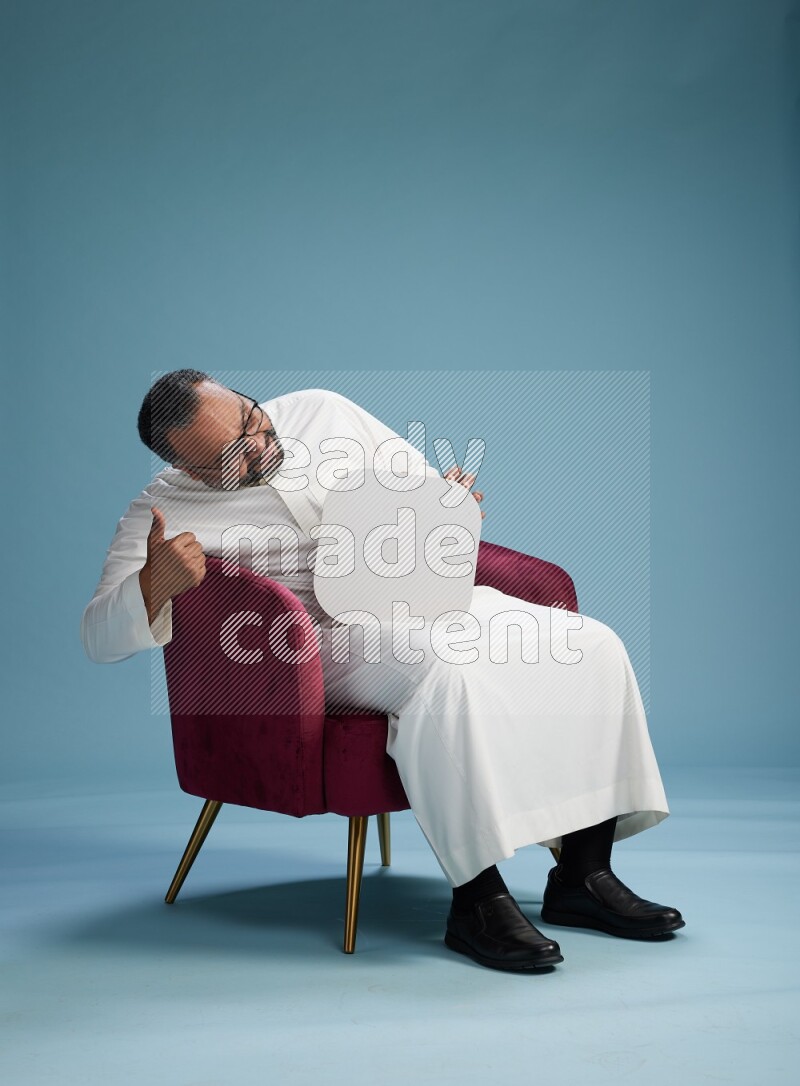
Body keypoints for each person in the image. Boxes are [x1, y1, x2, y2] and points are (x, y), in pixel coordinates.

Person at [81, 369, 684, 972]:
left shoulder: (323, 411)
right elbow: (97, 635)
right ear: (190, 470)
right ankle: (477, 900)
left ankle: (583, 874)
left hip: (415, 593)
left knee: (591, 644)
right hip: (313, 640)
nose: (261, 443)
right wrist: (153, 584)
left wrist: (448, 507)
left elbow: (415, 489)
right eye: (232, 456)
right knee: (443, 672)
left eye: (250, 418)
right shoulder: (159, 510)